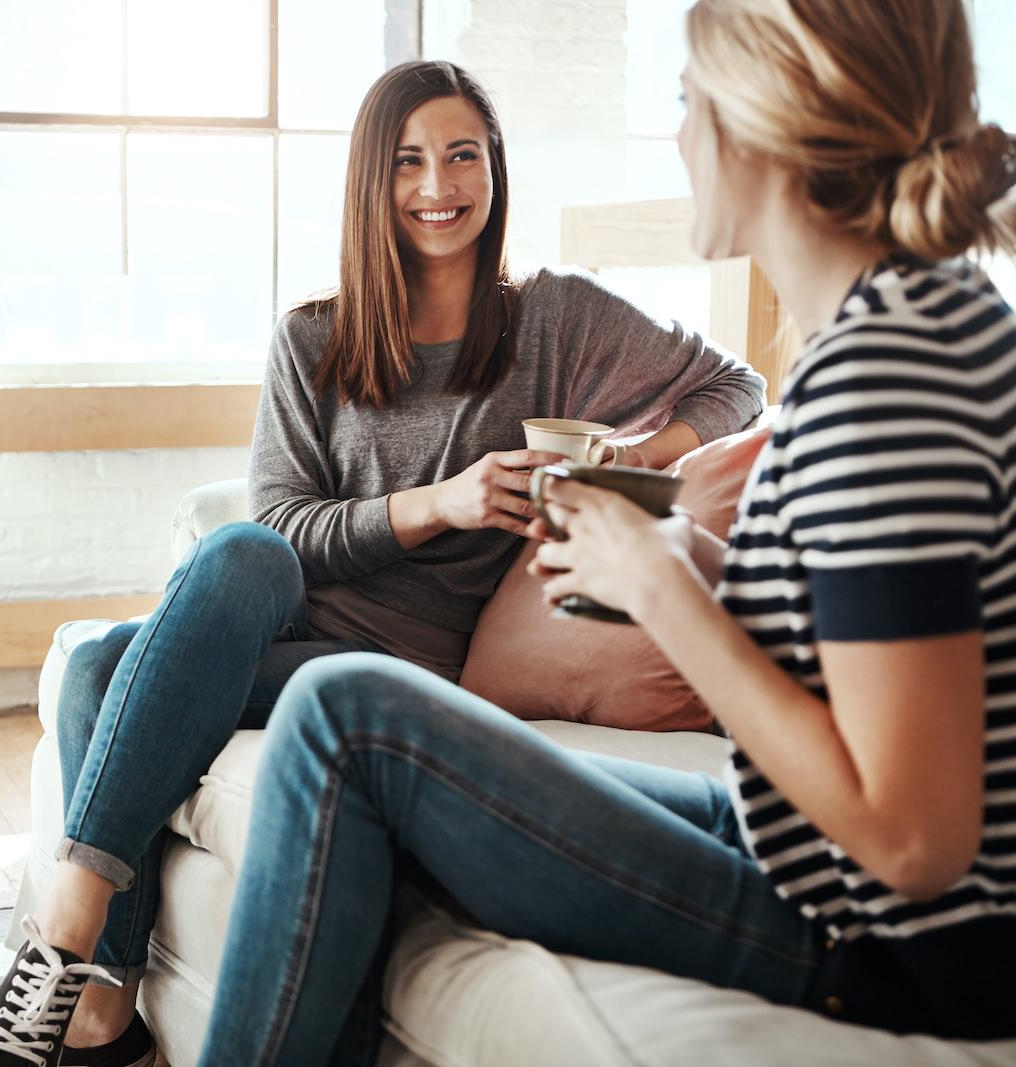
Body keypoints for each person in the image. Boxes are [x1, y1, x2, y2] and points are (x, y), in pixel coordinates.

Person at [194, 1, 1016, 1062]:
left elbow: (914, 838)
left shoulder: (886, 378)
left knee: (344, 714)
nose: (677, 138)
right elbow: (864, 636)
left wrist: (667, 592)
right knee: (321, 706)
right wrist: (679, 556)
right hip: (798, 853)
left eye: (686, 102)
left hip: (877, 937)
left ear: (769, 121)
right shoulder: (905, 325)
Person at [0, 60, 765, 1067]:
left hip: (405, 674)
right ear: (373, 182)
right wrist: (436, 505)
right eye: (409, 161)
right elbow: (283, 525)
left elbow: (735, 386)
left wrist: (626, 455)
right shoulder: (311, 338)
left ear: (494, 172)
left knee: (98, 666)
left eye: (463, 155)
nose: (438, 185)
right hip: (285, 629)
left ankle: (77, 977)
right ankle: (97, 994)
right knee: (235, 556)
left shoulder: (555, 319)